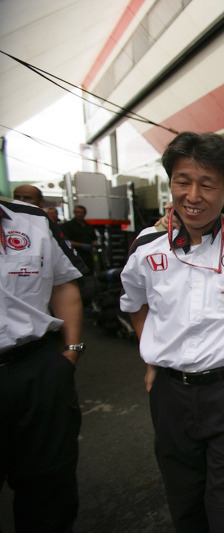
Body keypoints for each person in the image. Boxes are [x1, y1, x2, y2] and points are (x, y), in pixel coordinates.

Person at [120, 132, 224, 532]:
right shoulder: (147, 247)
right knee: (184, 506)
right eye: (183, 181)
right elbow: (135, 304)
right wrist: (150, 355)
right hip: (171, 398)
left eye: (208, 183)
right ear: (170, 183)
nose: (193, 195)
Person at [1, 198, 88, 531]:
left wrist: (71, 352)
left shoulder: (33, 221)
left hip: (36, 369)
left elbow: (64, 283)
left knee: (49, 492)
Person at [61, 204, 99, 272]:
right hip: (75, 254)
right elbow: (66, 241)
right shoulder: (67, 226)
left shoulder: (89, 226)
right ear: (74, 213)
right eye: (78, 212)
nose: (80, 214)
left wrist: (94, 245)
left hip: (88, 256)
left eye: (82, 212)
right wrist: (81, 245)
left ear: (85, 214)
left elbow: (94, 239)